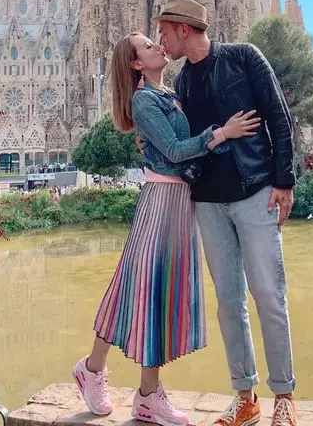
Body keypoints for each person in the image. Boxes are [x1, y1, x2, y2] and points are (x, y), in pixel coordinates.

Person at [73, 32, 261, 426]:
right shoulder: (144, 100)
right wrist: (222, 133)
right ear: (136, 64)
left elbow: (176, 144)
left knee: (136, 287)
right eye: (146, 46)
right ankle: (145, 394)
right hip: (161, 200)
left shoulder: (170, 94)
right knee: (151, 290)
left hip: (179, 200)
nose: (157, 46)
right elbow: (176, 150)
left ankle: (95, 370)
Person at [154, 0, 298, 426]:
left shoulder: (243, 58)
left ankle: (284, 396)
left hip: (255, 190)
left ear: (183, 29)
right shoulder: (182, 82)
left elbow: (278, 117)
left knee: (269, 294)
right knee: (228, 302)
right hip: (209, 201)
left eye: (165, 32)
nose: (162, 40)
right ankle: (245, 397)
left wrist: (284, 181)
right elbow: (184, 143)